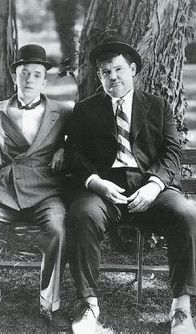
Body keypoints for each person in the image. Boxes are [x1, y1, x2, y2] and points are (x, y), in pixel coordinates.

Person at [65, 36, 196, 334]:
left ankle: (181, 308)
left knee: (186, 214)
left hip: (150, 189)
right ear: (99, 76)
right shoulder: (86, 110)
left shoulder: (158, 106)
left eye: (118, 70)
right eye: (105, 72)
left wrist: (154, 185)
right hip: (105, 193)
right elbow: (75, 153)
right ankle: (89, 306)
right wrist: (95, 182)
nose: (113, 77)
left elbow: (172, 151)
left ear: (133, 69)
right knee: (82, 215)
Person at [0, 44, 72, 331]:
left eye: (36, 74)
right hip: (5, 190)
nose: (29, 79)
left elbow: (77, 139)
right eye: (24, 73)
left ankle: (50, 304)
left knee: (58, 229)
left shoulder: (62, 111)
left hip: (46, 190)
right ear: (15, 76)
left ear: (44, 80)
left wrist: (65, 150)